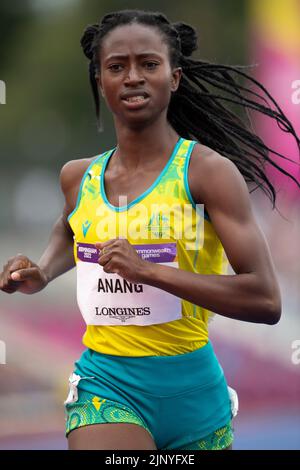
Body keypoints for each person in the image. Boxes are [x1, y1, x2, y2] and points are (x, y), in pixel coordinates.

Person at [1, 9, 299, 451]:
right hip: (107, 385)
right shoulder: (78, 177)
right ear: (100, 80)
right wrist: (42, 270)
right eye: (117, 67)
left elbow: (266, 300)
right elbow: (70, 229)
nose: (133, 77)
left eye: (149, 64)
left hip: (194, 395)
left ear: (174, 78)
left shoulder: (207, 174)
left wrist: (149, 271)